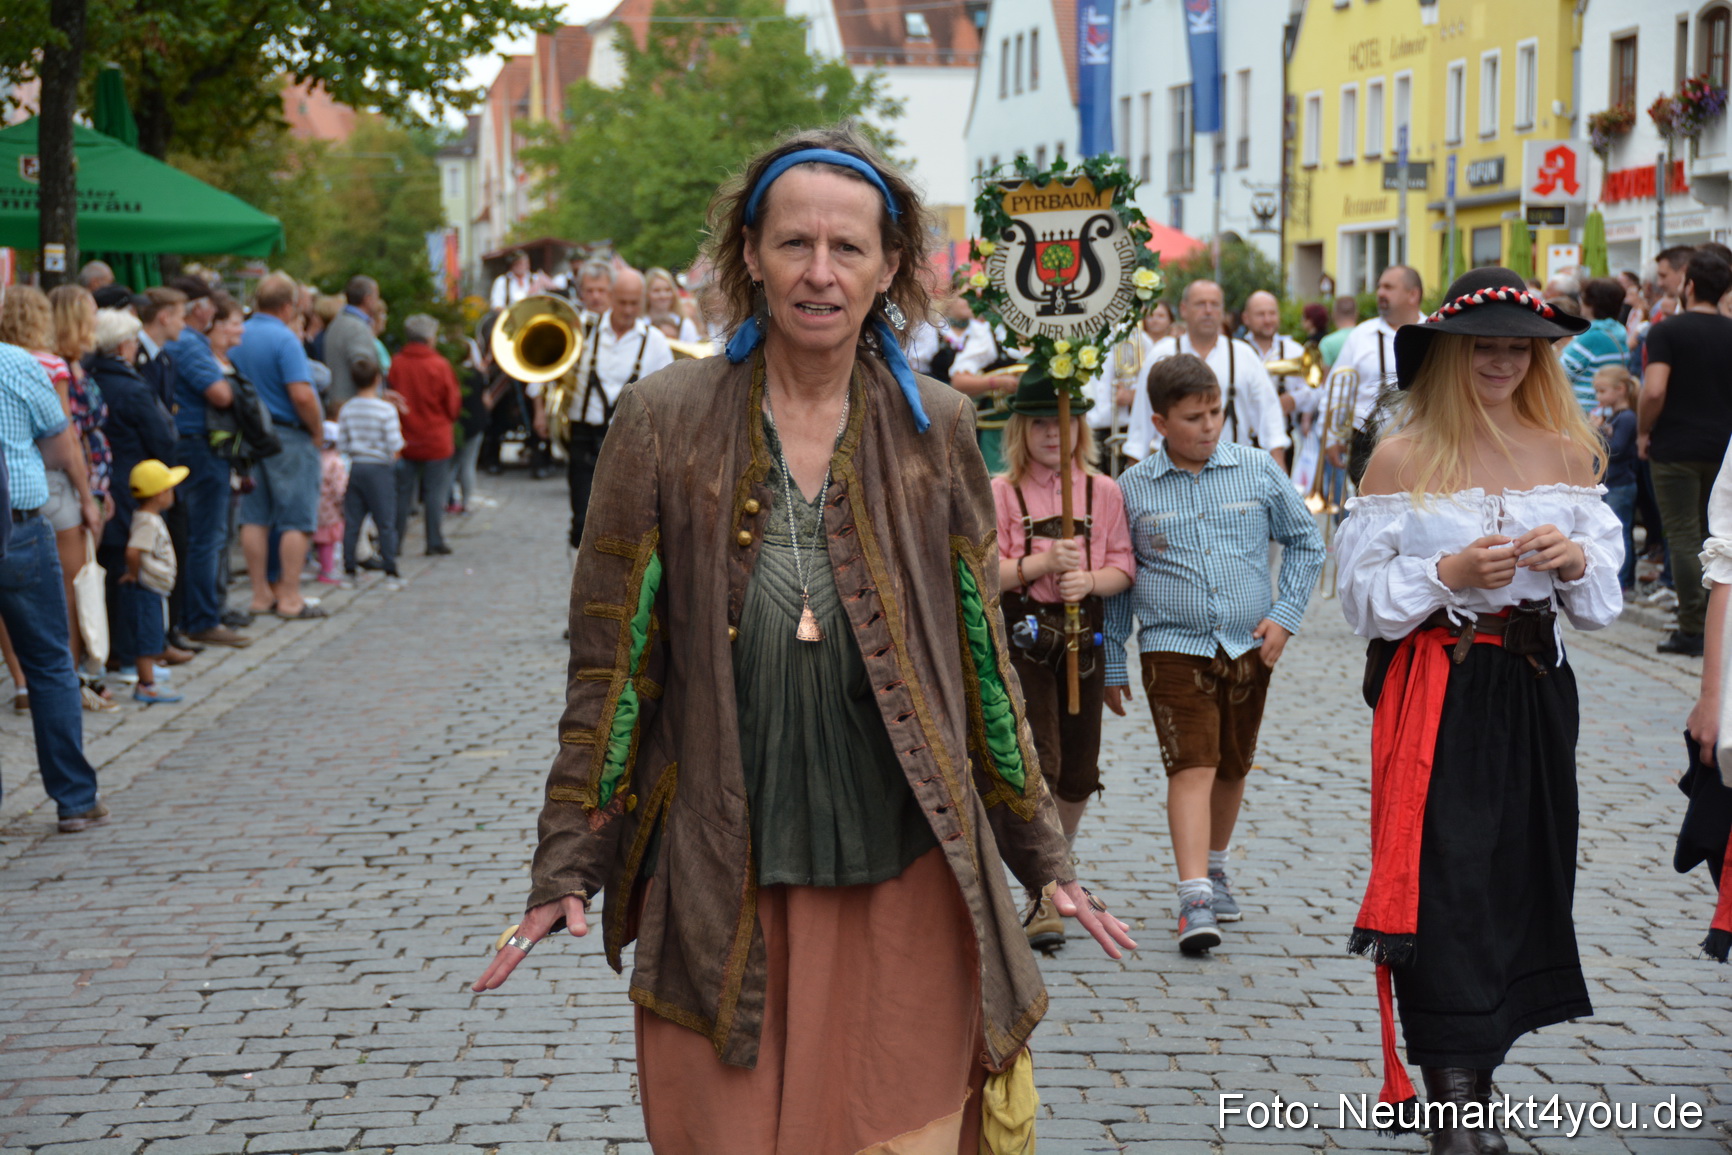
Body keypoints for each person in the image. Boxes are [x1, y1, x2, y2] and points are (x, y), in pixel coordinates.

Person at [472, 124, 1136, 1152]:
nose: (819, 271)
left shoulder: (937, 428)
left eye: (847, 247)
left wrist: (1041, 853)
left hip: (905, 865)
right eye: (794, 243)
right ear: (750, 254)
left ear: (889, 267)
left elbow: (981, 658)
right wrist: (569, 863)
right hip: (721, 868)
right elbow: (610, 666)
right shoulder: (661, 419)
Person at [1335, 267, 1622, 1153]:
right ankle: (1453, 1097)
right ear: (1450, 354)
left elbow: (1600, 604)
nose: (1501, 362)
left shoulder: (1568, 454)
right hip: (1442, 688)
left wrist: (1574, 559)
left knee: (1517, 877)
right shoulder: (1402, 456)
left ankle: (1478, 1075)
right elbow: (1360, 599)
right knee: (1445, 881)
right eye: (1484, 347)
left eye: (1519, 349)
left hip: (1536, 689)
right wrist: (1447, 573)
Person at [1106, 354, 1324, 955]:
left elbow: (1307, 541)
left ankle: (1217, 867)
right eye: (1193, 417)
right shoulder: (1133, 489)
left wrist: (1285, 616)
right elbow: (1121, 578)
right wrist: (1113, 658)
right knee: (1192, 764)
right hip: (1171, 646)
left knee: (1232, 763)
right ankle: (1194, 895)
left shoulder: (1256, 469)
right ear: (1159, 422)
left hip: (1248, 644)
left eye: (1215, 413)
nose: (1208, 426)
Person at [992, 377, 1134, 950]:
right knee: (1040, 760)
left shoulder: (1103, 491)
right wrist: (1042, 563)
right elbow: (984, 570)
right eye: (1041, 423)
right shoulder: (1003, 492)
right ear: (1021, 430)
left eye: (1065, 422)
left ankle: (1059, 863)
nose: (1054, 433)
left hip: (1083, 637)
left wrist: (1091, 580)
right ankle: (1044, 892)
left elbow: (1123, 566)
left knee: (1079, 768)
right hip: (1024, 639)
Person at [0, 341, 108, 832]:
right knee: (48, 662)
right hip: (19, 523)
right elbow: (60, 447)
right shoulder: (18, 364)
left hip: (21, 527)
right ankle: (75, 798)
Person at [533, 267, 674, 551]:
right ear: (611, 296)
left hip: (631, 441)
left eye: (634, 303)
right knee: (582, 522)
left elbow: (669, 395)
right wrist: (539, 410)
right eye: (622, 302)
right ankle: (581, 574)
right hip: (584, 435)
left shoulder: (655, 341)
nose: (628, 310)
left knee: (626, 524)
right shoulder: (582, 330)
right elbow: (544, 368)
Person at [1640, 249, 1732, 656]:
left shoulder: (1668, 331)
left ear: (1689, 285)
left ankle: (1693, 627)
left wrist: (1643, 430)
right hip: (1723, 446)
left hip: (1675, 445)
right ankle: (1718, 622)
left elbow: (1654, 389)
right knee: (1717, 533)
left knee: (1681, 534)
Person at [92, 307, 184, 682]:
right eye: (132, 341)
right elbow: (162, 436)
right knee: (131, 577)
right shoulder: (131, 387)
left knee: (108, 571)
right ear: (122, 346)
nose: (135, 348)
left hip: (103, 483)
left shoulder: (91, 378)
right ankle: (132, 656)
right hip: (132, 486)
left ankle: (117, 652)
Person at [229, 272, 326, 621]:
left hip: (249, 436)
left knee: (255, 516)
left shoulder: (238, 335)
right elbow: (301, 394)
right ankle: (289, 595)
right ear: (288, 306)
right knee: (296, 518)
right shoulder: (285, 339)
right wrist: (317, 429)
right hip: (288, 435)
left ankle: (260, 594)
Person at [1122, 279, 1290, 468]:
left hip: (1233, 472)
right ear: (1184, 309)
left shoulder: (1243, 355)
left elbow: (1270, 416)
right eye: (1200, 304)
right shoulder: (1161, 354)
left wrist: (1279, 466)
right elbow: (1141, 422)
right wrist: (1133, 468)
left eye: (1215, 304)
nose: (1208, 311)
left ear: (1223, 311)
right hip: (1172, 472)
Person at [165, 281, 251, 648]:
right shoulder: (189, 344)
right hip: (199, 444)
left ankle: (191, 616)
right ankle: (201, 618)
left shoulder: (182, 343)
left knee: (194, 534)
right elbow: (220, 394)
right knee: (206, 535)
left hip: (187, 443)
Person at [1317, 267, 1425, 498]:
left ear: (1413, 294)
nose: (1380, 293)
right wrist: (1331, 438)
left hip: (1423, 441)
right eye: (1379, 287)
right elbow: (1337, 389)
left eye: (1388, 287)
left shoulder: (1433, 333)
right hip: (1366, 443)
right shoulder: (1360, 335)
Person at [389, 314, 461, 556]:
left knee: (402, 493)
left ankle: (394, 542)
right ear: (430, 338)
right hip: (436, 438)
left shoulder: (397, 363)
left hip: (405, 437)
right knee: (434, 492)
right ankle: (434, 540)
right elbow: (452, 405)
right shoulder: (439, 365)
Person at [120, 459, 187, 704]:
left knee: (154, 632)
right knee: (147, 636)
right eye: (170, 489)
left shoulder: (149, 517)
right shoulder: (147, 521)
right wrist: (133, 573)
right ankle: (147, 684)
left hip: (154, 588)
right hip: (147, 587)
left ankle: (149, 674)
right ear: (160, 494)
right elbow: (133, 550)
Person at [337, 356, 403, 587]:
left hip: (357, 466)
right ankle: (390, 570)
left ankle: (349, 569)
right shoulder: (386, 410)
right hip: (379, 468)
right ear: (377, 379)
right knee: (385, 521)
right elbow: (395, 443)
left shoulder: (347, 408)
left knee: (353, 521)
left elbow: (342, 444)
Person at [948, 303, 1024, 473]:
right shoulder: (990, 334)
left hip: (1043, 429)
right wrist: (997, 382)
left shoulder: (1050, 331)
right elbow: (958, 382)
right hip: (998, 435)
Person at [1592, 366, 1640, 594]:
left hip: (1621, 484)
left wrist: (1596, 431)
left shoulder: (1627, 417)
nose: (1598, 397)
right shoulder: (1614, 416)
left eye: (1602, 391)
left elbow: (1617, 448)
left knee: (1620, 532)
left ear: (1620, 389)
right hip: (1611, 483)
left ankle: (1623, 579)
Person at [1561, 278, 1631, 413]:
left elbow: (1560, 372)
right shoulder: (1619, 332)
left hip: (1586, 412)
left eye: (1583, 298)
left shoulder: (1592, 337)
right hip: (1607, 410)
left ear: (1591, 304)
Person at [322, 275, 380, 413]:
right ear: (368, 299)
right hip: (356, 407)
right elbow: (363, 369)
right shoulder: (357, 327)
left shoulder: (337, 322)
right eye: (377, 296)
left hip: (338, 403)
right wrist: (378, 397)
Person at [313, 420, 347, 584]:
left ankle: (318, 565)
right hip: (331, 507)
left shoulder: (316, 458)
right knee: (328, 540)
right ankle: (327, 570)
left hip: (316, 503)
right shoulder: (336, 462)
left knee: (318, 537)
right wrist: (344, 502)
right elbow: (339, 488)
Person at [645, 267, 702, 343]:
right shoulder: (641, 323)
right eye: (656, 291)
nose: (663, 295)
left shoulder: (684, 324)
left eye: (667, 290)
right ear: (646, 293)